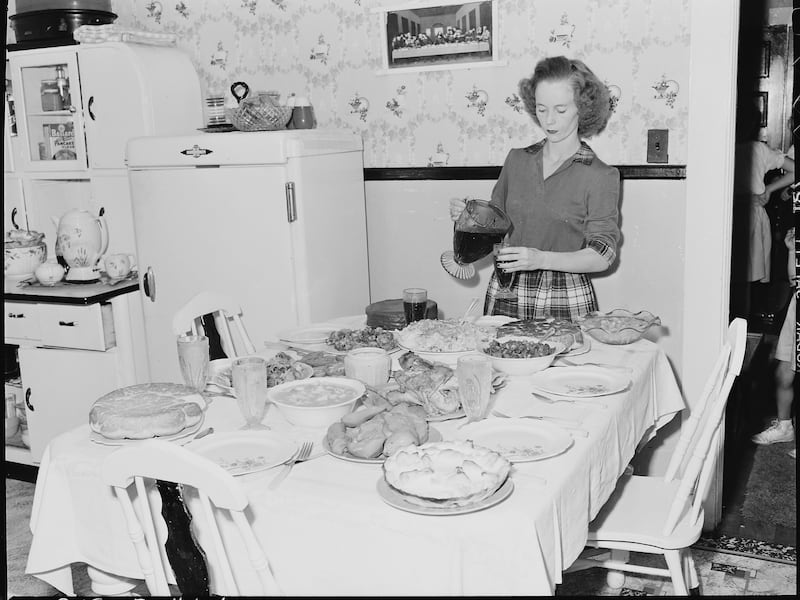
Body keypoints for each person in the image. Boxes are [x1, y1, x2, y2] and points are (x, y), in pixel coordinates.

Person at [449, 56, 619, 320]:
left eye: (561, 110)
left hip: (565, 300)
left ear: (582, 108)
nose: (549, 120)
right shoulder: (516, 160)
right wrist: (468, 220)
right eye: (541, 109)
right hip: (507, 292)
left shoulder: (600, 176)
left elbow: (602, 256)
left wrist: (541, 259)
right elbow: (495, 234)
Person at [730, 101, 795, 319]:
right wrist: (770, 189)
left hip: (740, 219)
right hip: (748, 218)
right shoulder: (757, 149)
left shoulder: (750, 149)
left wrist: (768, 189)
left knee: (737, 286)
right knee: (744, 287)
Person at [752, 227, 796, 457]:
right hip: (796, 309)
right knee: (783, 373)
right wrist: (791, 252)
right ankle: (784, 426)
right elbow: (793, 280)